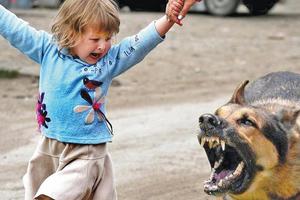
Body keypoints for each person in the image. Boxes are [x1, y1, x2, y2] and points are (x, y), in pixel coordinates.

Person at [0, 0, 186, 199]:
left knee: (50, 195)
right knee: (38, 189)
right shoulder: (47, 50)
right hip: (49, 144)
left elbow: (139, 44)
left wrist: (168, 19)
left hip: (86, 150)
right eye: (95, 38)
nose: (103, 46)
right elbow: (15, 29)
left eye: (108, 38)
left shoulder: (107, 62)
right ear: (71, 33)